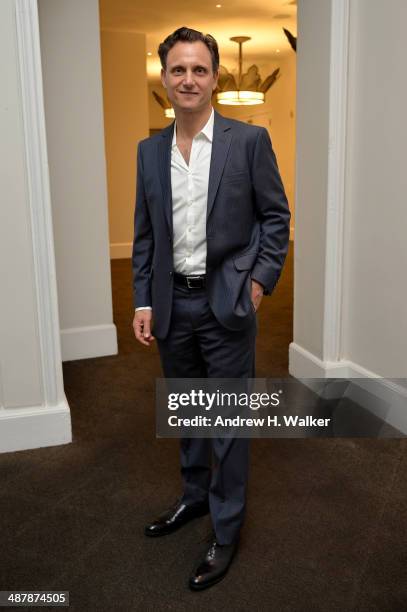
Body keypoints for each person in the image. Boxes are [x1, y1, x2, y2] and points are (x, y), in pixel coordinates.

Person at [132, 26, 290, 591]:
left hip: (228, 305)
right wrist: (144, 299)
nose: (189, 79)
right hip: (174, 305)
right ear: (165, 78)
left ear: (216, 77)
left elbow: (276, 218)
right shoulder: (149, 151)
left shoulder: (248, 142)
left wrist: (260, 282)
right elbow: (145, 234)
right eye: (178, 69)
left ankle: (226, 530)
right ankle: (194, 499)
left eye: (200, 69)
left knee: (225, 422)